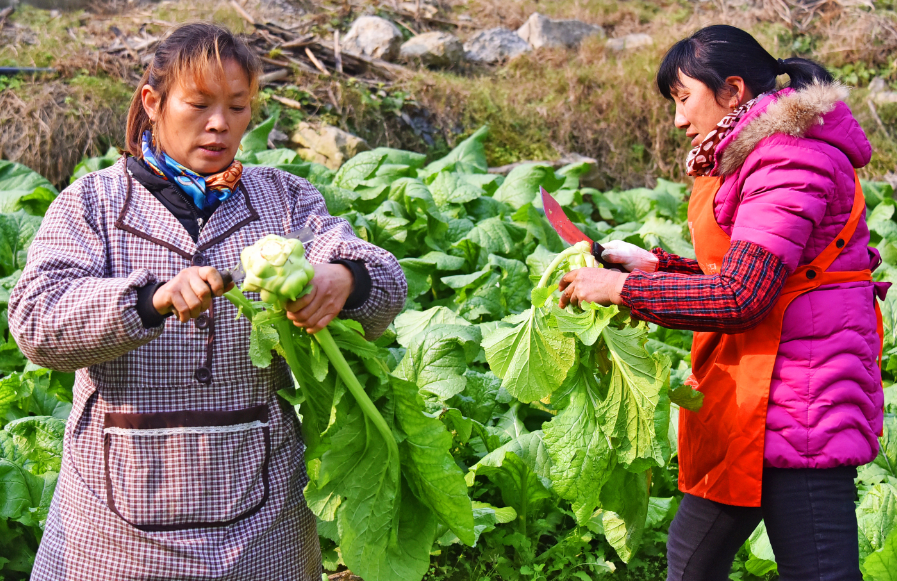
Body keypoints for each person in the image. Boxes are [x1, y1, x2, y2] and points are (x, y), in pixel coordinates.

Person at [8, 22, 406, 580]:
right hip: (114, 523)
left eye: (238, 106)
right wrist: (151, 300)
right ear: (153, 102)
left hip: (262, 518)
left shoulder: (285, 199)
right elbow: (36, 321)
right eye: (198, 104)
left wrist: (344, 279)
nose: (220, 124)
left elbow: (388, 281)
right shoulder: (93, 204)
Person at [557, 24, 885, 581]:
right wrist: (658, 268)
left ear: (733, 91)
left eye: (685, 99)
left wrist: (622, 290)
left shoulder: (790, 160)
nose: (679, 119)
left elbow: (741, 295)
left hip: (802, 400)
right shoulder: (758, 155)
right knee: (692, 558)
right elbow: (750, 272)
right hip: (759, 393)